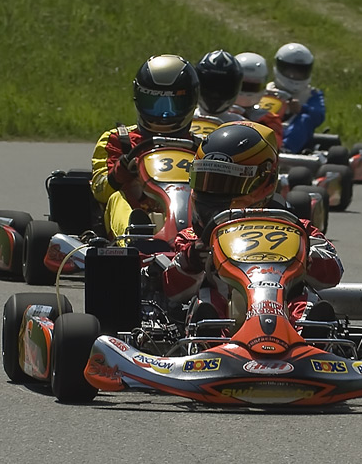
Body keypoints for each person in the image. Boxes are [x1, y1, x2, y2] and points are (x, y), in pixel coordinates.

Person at [161, 120, 343, 323]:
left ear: (263, 181)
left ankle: (309, 331)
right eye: (206, 180)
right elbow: (172, 289)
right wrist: (192, 260)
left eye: (225, 183)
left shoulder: (299, 231)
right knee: (208, 300)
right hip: (226, 316)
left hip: (284, 306)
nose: (211, 192)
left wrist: (305, 257)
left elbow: (333, 270)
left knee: (305, 301)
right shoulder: (193, 239)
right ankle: (209, 333)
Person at [90, 54, 200, 240]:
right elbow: (99, 191)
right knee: (118, 197)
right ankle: (134, 244)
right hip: (136, 213)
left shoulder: (201, 148)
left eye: (173, 104)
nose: (163, 114)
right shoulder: (119, 140)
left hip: (187, 220)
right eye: (153, 104)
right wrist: (122, 171)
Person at [265, 42, 326, 154]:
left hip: (292, 133)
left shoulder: (312, 94)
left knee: (305, 119)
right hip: (267, 127)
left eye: (300, 72)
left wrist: (301, 109)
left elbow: (319, 116)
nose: (295, 76)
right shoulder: (266, 90)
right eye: (291, 71)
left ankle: (285, 150)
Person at [231, 51, 284, 148]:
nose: (246, 91)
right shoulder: (218, 112)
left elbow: (275, 145)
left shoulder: (268, 120)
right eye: (242, 85)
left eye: (252, 86)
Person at [192, 49, 247, 132]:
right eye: (210, 87)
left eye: (222, 88)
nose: (215, 94)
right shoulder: (181, 120)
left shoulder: (243, 126)